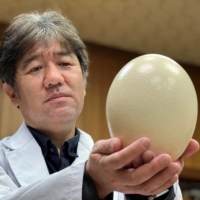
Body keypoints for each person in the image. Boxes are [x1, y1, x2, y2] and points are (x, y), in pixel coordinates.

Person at [0, 10, 198, 200]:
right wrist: (92, 182)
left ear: (84, 83)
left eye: (65, 63)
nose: (54, 78)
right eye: (35, 68)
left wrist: (149, 191)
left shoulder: (121, 165)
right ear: (12, 93)